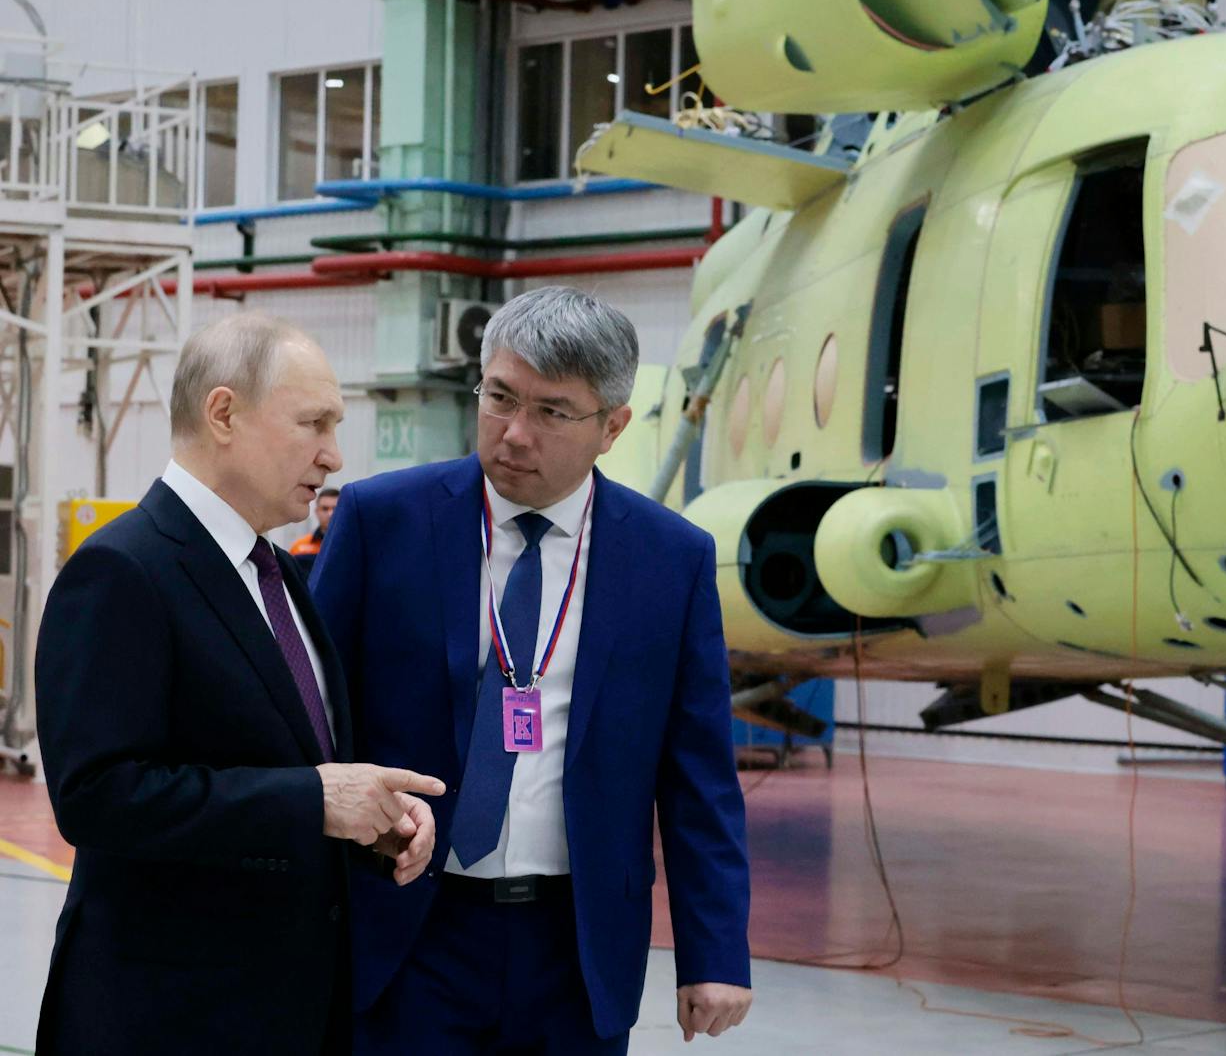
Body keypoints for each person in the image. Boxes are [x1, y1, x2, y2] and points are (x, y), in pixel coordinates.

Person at [315, 286, 752, 1054]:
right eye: (499, 396)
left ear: (612, 425)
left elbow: (699, 775)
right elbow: (311, 715)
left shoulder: (669, 560)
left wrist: (714, 950)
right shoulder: (383, 522)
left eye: (551, 411)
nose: (513, 433)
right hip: (409, 926)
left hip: (576, 944)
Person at [34, 313, 446, 1056]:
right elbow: (97, 794)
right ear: (223, 413)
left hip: (290, 1010)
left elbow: (285, 762)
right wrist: (316, 799)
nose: (333, 453)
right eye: (313, 422)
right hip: (170, 1020)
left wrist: (367, 826)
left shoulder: (279, 573)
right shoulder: (124, 570)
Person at [290, 486, 342, 558]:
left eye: (335, 508)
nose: (330, 514)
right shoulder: (299, 547)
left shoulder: (354, 544)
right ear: (317, 511)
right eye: (325, 509)